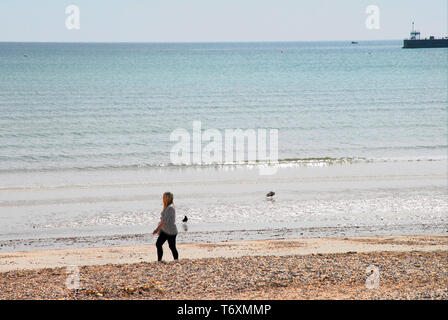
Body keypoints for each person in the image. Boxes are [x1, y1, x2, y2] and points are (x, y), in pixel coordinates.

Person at [153, 192, 179, 261]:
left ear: (167, 198)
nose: (162, 198)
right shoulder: (167, 207)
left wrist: (157, 229)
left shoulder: (170, 208)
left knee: (172, 247)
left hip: (171, 231)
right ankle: (159, 260)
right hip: (165, 230)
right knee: (158, 244)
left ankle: (176, 260)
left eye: (164, 197)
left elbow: (164, 221)